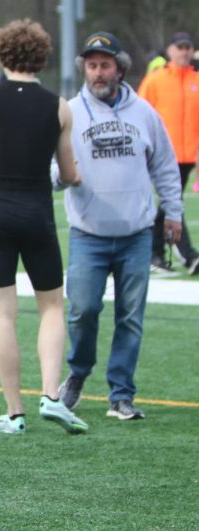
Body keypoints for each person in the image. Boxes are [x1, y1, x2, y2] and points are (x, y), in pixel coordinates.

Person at [0, 19, 86, 435]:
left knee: (3, 313)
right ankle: (51, 396)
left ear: (1, 54)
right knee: (51, 307)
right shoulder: (59, 106)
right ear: (42, 57)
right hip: (36, 214)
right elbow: (68, 173)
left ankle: (14, 413)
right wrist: (76, 176)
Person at [58, 32, 183, 422]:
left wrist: (174, 212)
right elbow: (51, 166)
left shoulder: (144, 112)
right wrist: (62, 176)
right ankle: (77, 374)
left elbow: (164, 165)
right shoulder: (69, 112)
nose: (98, 72)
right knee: (82, 311)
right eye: (92, 65)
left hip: (135, 234)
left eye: (105, 65)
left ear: (120, 68)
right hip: (88, 233)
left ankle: (121, 394)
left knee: (131, 316)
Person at [138, 32, 199, 274]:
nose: (184, 52)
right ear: (171, 50)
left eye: (188, 47)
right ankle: (187, 253)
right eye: (180, 47)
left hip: (187, 156)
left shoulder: (196, 81)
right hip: (163, 155)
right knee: (171, 202)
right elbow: (140, 112)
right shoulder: (157, 80)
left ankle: (155, 254)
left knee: (168, 204)